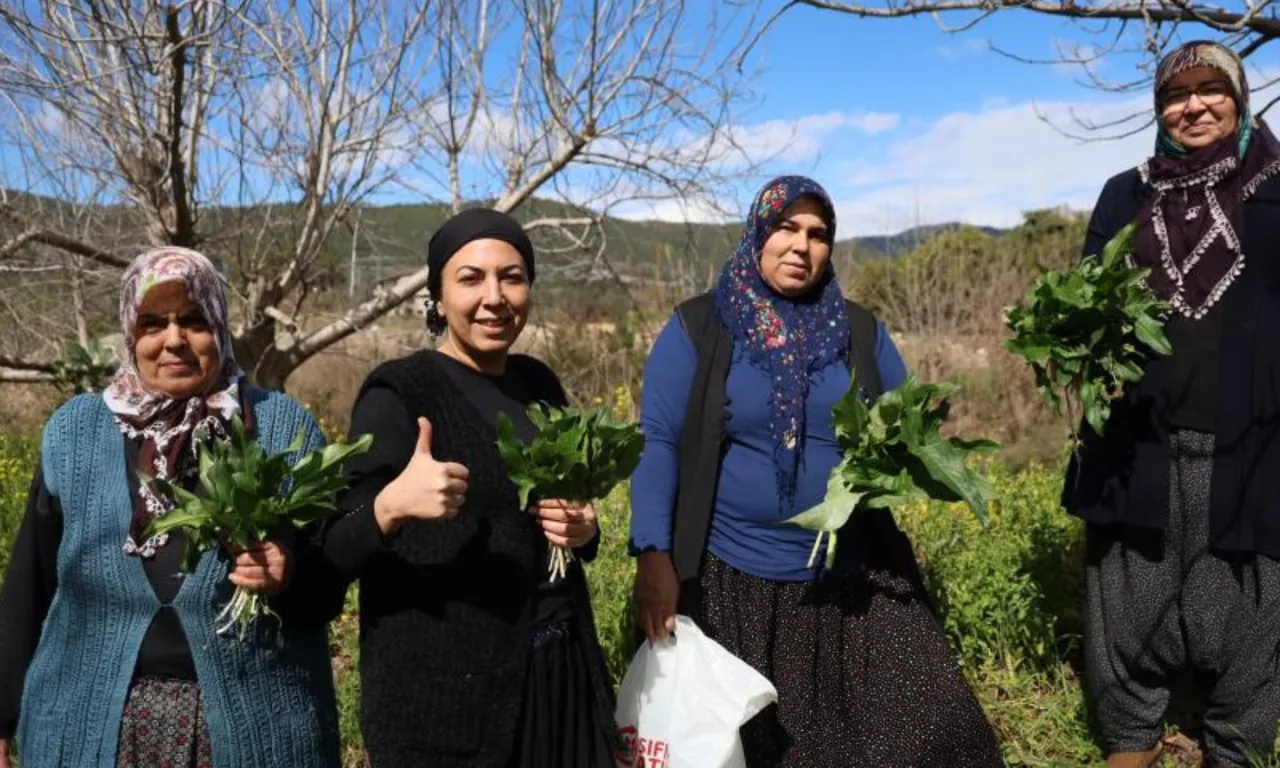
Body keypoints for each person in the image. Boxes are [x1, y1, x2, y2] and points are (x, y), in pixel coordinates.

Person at [628, 175, 1004, 767]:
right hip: (735, 584)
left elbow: (907, 430)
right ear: (757, 232)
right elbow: (660, 442)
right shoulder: (700, 327)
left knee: (941, 730)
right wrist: (654, 557)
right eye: (786, 227)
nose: (801, 246)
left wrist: (916, 448)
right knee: (762, 750)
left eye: (818, 234)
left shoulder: (857, 330)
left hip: (852, 577)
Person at [0, 247, 344, 768]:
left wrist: (288, 571)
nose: (173, 340)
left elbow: (328, 579)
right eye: (153, 323)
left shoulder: (280, 429)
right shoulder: (76, 432)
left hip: (251, 729)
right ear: (131, 334)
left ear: (220, 327)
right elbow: (30, 585)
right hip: (88, 724)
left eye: (194, 320)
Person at [320, 208, 617, 768]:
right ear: (436, 296)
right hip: (448, 704)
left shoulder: (539, 384)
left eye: (512, 276)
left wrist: (585, 527)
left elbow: (570, 502)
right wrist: (391, 506)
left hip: (558, 678)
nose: (495, 296)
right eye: (470, 278)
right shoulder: (399, 394)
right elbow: (334, 547)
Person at [1064, 41, 1280, 768]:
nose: (1192, 104)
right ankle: (1132, 740)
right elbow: (1085, 303)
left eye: (1210, 87)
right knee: (1125, 612)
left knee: (1250, 616)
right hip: (1139, 443)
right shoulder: (1126, 192)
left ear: (1239, 96)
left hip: (1253, 442)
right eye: (1174, 93)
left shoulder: (1279, 186)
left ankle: (1234, 748)